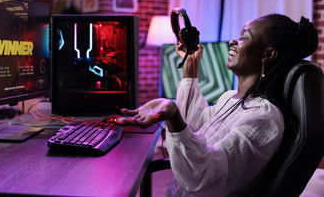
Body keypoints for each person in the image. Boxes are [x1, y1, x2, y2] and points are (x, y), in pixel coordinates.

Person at [117, 14, 318, 196]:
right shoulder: (229, 98)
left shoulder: (264, 117)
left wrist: (173, 115)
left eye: (244, 37)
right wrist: (190, 68)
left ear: (268, 55)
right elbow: (193, 127)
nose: (233, 41)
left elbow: (202, 177)